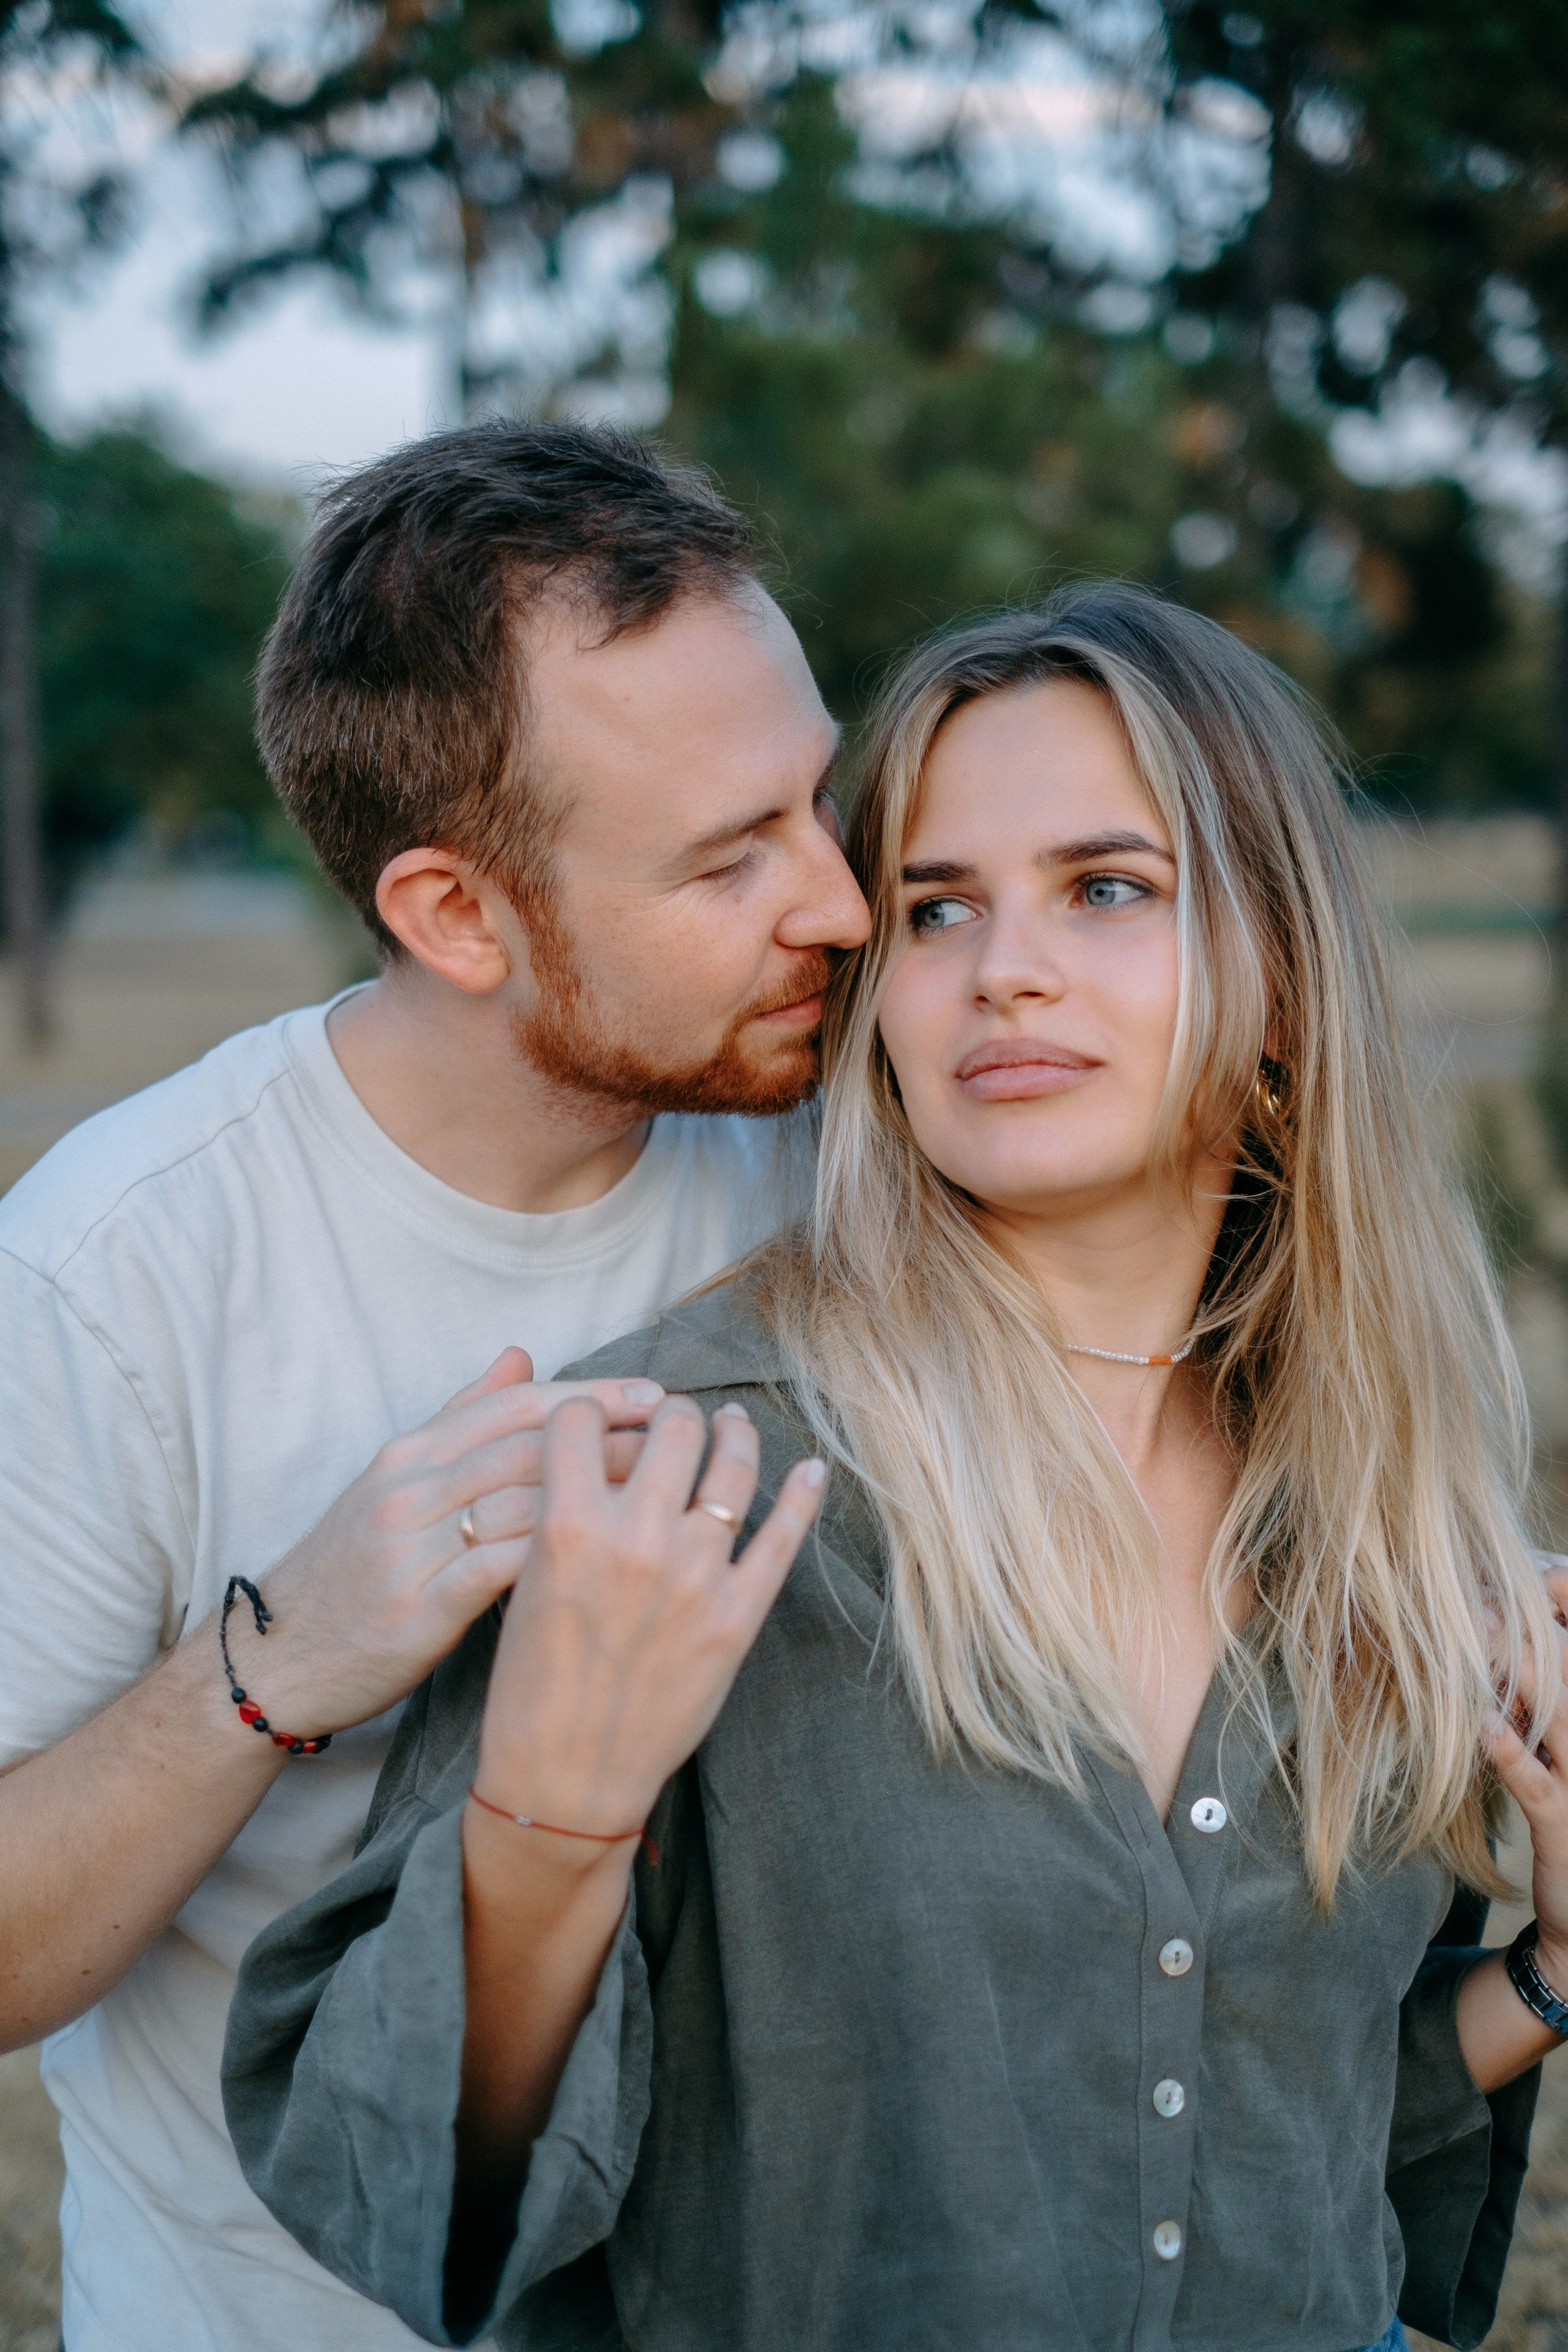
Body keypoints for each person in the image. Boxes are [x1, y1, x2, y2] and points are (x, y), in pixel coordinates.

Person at [224, 584, 1568, 2352]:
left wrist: (1548, 1975)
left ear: (1284, 985)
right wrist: (549, 1813)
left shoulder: (1390, 1499)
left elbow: (1253, 2136)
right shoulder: (696, 1467)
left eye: (1108, 888)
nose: (1002, 965)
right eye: (936, 909)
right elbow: (411, 2203)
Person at [0, 421, 870, 2352]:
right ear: (456, 916)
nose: (842, 906)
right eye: (732, 859)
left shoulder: (839, 1166)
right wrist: (275, 1663)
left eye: (821, 805)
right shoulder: (115, 1269)